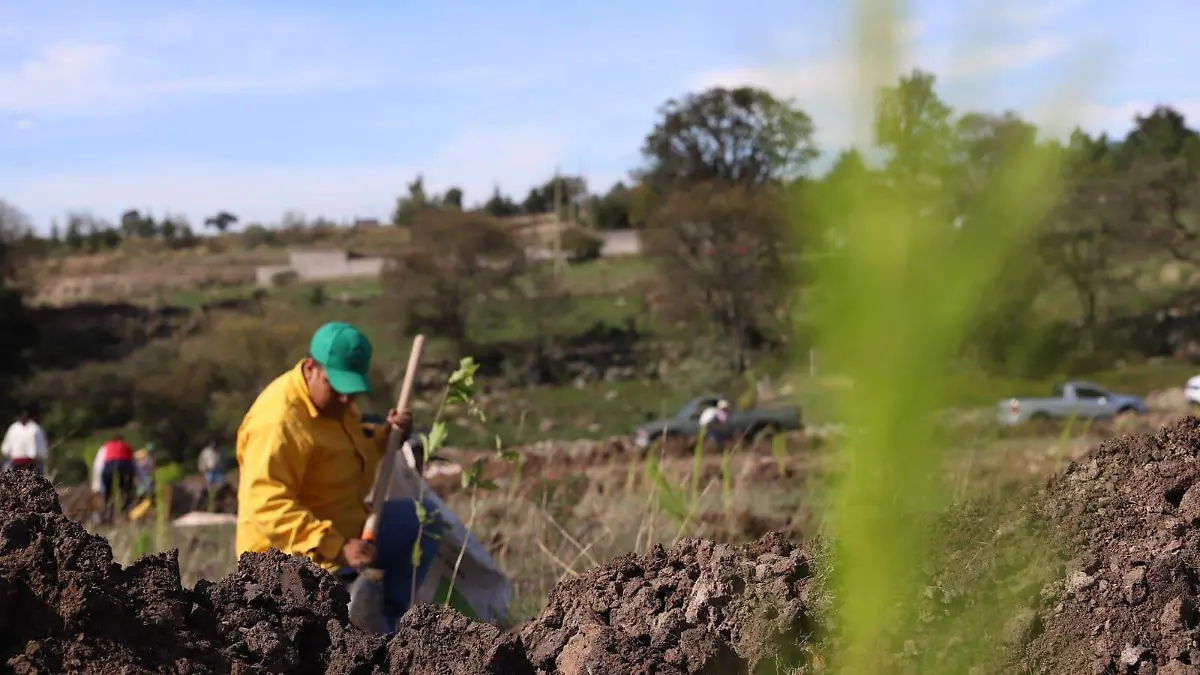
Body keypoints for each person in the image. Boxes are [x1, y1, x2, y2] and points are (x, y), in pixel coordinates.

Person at [236, 321, 436, 632]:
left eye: (353, 392)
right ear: (311, 367)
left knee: (421, 521)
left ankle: (390, 625)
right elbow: (267, 505)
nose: (346, 400)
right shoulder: (278, 423)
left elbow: (351, 455)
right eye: (337, 387)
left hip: (348, 533)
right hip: (293, 558)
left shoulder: (337, 405)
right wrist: (336, 547)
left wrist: (387, 438)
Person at [92, 434, 137, 521]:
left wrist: (96, 485)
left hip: (109, 468)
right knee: (127, 493)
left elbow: (98, 465)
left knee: (108, 495)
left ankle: (108, 515)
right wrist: (146, 484)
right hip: (125, 468)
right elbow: (136, 466)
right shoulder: (127, 447)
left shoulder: (105, 447)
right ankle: (126, 514)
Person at [1, 407, 49, 474]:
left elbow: (41, 450)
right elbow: (6, 448)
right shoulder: (14, 428)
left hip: (31, 463)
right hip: (15, 462)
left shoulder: (35, 429)